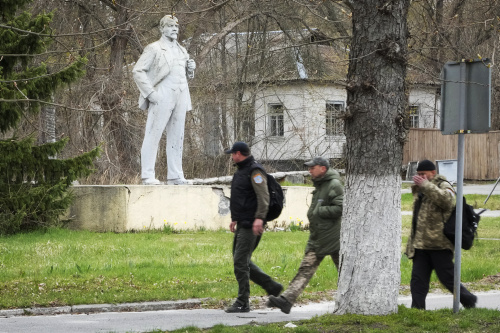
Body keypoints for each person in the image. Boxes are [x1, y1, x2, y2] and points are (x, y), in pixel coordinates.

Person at [267, 156, 343, 314]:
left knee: (344, 271)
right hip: (319, 236)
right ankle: (287, 300)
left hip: (333, 238)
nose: (309, 170)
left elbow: (341, 207)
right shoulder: (321, 185)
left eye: (312, 168)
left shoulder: (334, 185)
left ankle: (351, 299)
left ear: (323, 169)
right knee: (306, 268)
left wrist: (319, 211)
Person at [405, 159, 477, 309]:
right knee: (418, 281)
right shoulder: (422, 189)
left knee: (447, 279)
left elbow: (446, 202)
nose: (421, 177)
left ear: (433, 173)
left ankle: (468, 299)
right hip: (421, 245)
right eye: (418, 174)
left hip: (440, 244)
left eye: (423, 174)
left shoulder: (444, 185)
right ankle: (417, 310)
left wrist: (425, 186)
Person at [132, 15, 196, 185]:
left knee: (178, 136)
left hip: (181, 93)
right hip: (163, 92)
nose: (174, 29)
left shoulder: (182, 50)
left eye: (176, 26)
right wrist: (150, 93)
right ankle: (147, 175)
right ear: (162, 29)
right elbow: (138, 71)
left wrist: (191, 70)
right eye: (170, 26)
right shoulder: (154, 48)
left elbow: (183, 74)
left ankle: (175, 175)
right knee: (154, 133)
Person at [224, 141, 283, 313]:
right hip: (243, 222)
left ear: (239, 154)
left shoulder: (255, 171)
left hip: (252, 223)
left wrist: (259, 218)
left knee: (240, 262)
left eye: (232, 154)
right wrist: (235, 218)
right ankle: (271, 286)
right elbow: (241, 197)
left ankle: (243, 302)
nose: (232, 157)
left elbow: (263, 197)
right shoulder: (242, 171)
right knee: (241, 259)